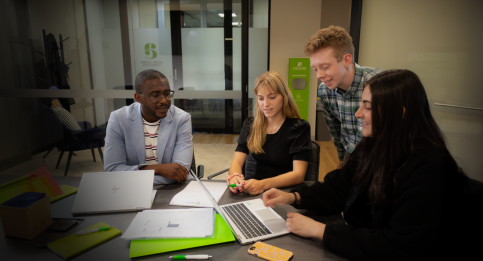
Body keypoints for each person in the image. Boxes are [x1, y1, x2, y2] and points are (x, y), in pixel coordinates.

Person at [262, 70, 470, 260]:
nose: (358, 113)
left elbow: (399, 245)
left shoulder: (429, 167)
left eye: (368, 107)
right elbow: (339, 188)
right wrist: (294, 196)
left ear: (400, 113)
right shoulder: (374, 145)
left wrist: (321, 231)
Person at [305, 25, 383, 169]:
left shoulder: (379, 83)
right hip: (351, 154)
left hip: (382, 156)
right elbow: (335, 130)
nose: (319, 75)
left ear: (347, 60)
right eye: (315, 69)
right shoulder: (325, 92)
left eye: (325, 67)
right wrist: (341, 159)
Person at [227, 71, 312, 195]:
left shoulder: (298, 128)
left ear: (284, 97)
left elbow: (298, 175)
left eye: (272, 97)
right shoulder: (250, 125)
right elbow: (236, 162)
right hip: (255, 190)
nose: (265, 104)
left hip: (285, 193)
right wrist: (235, 177)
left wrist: (263, 184)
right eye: (261, 98)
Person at [104, 69, 193, 184]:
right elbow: (112, 170)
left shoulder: (181, 119)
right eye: (155, 95)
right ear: (138, 98)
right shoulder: (119, 119)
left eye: (167, 94)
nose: (164, 101)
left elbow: (180, 172)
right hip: (130, 190)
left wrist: (133, 175)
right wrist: (158, 168)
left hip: (169, 189)